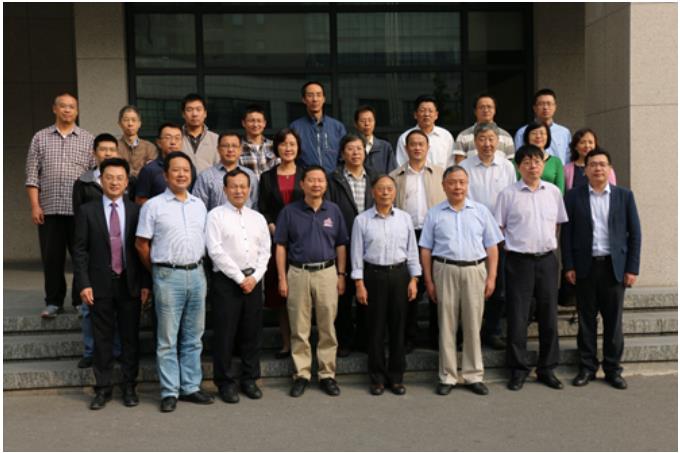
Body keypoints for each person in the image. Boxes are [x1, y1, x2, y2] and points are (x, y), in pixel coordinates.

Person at [135, 151, 214, 413]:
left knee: (193, 336)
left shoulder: (199, 205)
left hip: (197, 275)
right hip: (168, 276)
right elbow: (141, 244)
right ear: (166, 175)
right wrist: (158, 271)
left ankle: (190, 386)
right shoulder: (153, 206)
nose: (181, 174)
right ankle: (170, 391)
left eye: (186, 170)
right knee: (167, 338)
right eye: (176, 170)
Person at [73, 158, 151, 410]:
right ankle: (103, 388)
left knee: (130, 339)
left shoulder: (137, 211)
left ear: (127, 182)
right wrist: (83, 283)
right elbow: (80, 251)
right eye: (109, 177)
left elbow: (143, 250)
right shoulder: (87, 211)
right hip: (99, 284)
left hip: (130, 283)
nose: (114, 182)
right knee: (102, 338)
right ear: (101, 180)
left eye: (119, 178)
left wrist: (145, 283)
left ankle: (129, 387)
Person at [562, 149, 641, 390]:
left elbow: (635, 234)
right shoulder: (573, 197)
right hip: (585, 267)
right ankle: (587, 368)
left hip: (613, 268)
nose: (598, 168)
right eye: (593, 164)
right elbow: (566, 235)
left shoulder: (624, 196)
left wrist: (632, 268)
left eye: (602, 164)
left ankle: (613, 369)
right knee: (586, 320)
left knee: (613, 322)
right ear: (585, 170)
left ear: (609, 169)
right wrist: (569, 265)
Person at [420, 166, 502, 396]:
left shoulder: (481, 211)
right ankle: (447, 375)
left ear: (467, 184)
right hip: (444, 269)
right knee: (446, 324)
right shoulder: (434, 213)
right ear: (444, 186)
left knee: (473, 324)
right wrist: (429, 281)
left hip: (474, 270)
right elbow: (425, 249)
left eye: (462, 182)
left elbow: (492, 246)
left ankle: (473, 374)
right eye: (452, 182)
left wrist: (492, 276)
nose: (457, 187)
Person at [494, 145, 569, 391]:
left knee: (549, 316)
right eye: (526, 162)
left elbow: (557, 225)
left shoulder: (554, 192)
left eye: (537, 161)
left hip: (547, 260)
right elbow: (499, 228)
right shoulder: (508, 194)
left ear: (543, 164)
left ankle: (547, 368)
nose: (532, 166)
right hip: (518, 261)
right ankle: (518, 369)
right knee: (518, 317)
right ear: (519, 167)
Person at [274, 165, 349, 398]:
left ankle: (327, 374)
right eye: (311, 180)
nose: (316, 184)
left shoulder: (333, 210)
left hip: (327, 272)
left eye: (320, 180)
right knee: (299, 327)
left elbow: (341, 244)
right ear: (302, 184)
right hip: (298, 273)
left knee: (327, 326)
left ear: (326, 185)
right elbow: (281, 246)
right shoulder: (289, 212)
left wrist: (341, 275)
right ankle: (302, 374)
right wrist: (282, 278)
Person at [25, 92, 95, 318]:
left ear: (77, 111)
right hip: (49, 209)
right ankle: (54, 302)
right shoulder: (40, 137)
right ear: (54, 109)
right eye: (63, 106)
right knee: (52, 258)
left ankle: (80, 301)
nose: (67, 110)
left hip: (79, 211)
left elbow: (94, 175)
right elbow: (32, 175)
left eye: (72, 106)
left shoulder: (88, 139)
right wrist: (35, 206)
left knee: (81, 257)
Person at [351, 175, 420, 396]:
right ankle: (377, 378)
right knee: (375, 329)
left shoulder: (404, 218)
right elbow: (356, 254)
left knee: (398, 328)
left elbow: (412, 251)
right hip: (373, 276)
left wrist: (414, 279)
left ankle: (397, 377)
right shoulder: (362, 220)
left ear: (395, 192)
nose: (385, 192)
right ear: (373, 192)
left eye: (389, 188)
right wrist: (359, 284)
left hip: (400, 275)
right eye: (381, 189)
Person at [206, 168, 271, 403]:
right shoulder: (215, 216)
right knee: (225, 334)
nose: (239, 190)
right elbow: (215, 250)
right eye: (233, 186)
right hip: (226, 282)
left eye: (243, 186)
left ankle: (250, 379)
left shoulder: (258, 218)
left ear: (249, 189)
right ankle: (225, 382)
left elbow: (265, 251)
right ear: (225, 189)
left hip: (253, 281)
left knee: (251, 333)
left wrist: (255, 277)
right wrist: (239, 278)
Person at [460, 123, 517, 350]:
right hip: (470, 233)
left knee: (497, 286)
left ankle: (492, 330)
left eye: (491, 139)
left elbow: (512, 199)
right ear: (475, 142)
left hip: (499, 233)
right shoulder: (464, 166)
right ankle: (469, 332)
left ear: (498, 141)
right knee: (471, 286)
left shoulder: (507, 166)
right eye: (482, 139)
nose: (487, 144)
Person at [390, 130, 446, 352]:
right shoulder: (395, 176)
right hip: (407, 235)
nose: (417, 148)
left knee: (437, 286)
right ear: (406, 148)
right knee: (409, 288)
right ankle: (409, 336)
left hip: (436, 235)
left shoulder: (441, 173)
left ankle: (437, 336)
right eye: (412, 144)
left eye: (421, 144)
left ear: (428, 147)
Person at [72, 133, 122, 369]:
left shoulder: (125, 180)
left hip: (118, 255)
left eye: (112, 149)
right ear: (94, 153)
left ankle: (117, 350)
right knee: (89, 309)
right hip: (94, 255)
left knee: (117, 309)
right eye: (103, 149)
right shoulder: (83, 183)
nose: (108, 153)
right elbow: (78, 218)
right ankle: (91, 351)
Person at [327, 134, 378, 357]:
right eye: (350, 148)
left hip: (371, 243)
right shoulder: (334, 179)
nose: (355, 152)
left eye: (359, 148)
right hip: (343, 242)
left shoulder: (375, 177)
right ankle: (345, 340)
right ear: (342, 153)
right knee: (344, 294)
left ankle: (365, 338)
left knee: (369, 293)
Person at [257, 129, 305, 359]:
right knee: (281, 295)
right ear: (276, 147)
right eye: (284, 144)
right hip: (277, 242)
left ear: (298, 147)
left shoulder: (307, 173)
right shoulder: (267, 177)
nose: (288, 148)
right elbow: (263, 208)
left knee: (302, 296)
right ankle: (287, 343)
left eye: (292, 144)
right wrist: (271, 224)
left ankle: (303, 342)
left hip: (303, 241)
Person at [289, 81, 347, 174]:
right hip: (306, 179)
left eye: (318, 95)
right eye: (310, 95)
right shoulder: (295, 127)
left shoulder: (337, 127)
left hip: (333, 179)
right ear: (303, 99)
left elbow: (344, 157)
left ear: (324, 99)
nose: (315, 99)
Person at [192, 133, 258, 211]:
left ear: (241, 150)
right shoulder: (205, 176)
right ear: (218, 149)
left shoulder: (250, 175)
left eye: (234, 146)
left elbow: (255, 205)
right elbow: (198, 207)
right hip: (216, 218)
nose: (230, 150)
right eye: (225, 146)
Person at [135, 123, 196, 205]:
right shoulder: (149, 169)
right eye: (168, 138)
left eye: (177, 138)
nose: (173, 142)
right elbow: (140, 199)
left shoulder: (189, 168)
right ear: (159, 142)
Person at [514, 88, 571, 165]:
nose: (545, 107)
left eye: (549, 104)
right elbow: (519, 158)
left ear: (555, 107)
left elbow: (568, 159)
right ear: (534, 108)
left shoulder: (564, 132)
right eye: (541, 104)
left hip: (558, 172)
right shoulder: (522, 132)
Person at [395, 95, 454, 169]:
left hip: (441, 176)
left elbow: (451, 165)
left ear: (436, 115)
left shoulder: (446, 136)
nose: (426, 114)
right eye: (422, 111)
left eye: (430, 111)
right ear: (415, 114)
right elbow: (401, 165)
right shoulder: (405, 137)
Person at [453, 94, 515, 162]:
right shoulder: (463, 136)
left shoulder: (506, 136)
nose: (486, 110)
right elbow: (460, 165)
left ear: (495, 110)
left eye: (489, 107)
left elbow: (510, 164)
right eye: (481, 107)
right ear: (475, 111)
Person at [521, 121, 565, 194]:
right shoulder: (519, 160)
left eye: (542, 133)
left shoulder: (556, 161)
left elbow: (560, 191)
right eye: (534, 133)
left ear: (548, 137)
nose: (538, 136)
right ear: (527, 137)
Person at [180, 93, 220, 173]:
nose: (194, 114)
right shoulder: (176, 138)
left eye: (198, 109)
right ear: (183, 114)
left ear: (205, 114)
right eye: (189, 110)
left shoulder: (216, 139)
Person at [116, 105, 158, 179]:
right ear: (119, 123)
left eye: (134, 120)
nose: (130, 124)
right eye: (126, 120)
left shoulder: (149, 147)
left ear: (139, 124)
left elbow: (151, 171)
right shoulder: (115, 147)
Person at [354, 105, 397, 174]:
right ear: (355, 124)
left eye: (370, 120)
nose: (367, 124)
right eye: (362, 121)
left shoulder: (385, 147)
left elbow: (393, 173)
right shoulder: (350, 147)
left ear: (375, 122)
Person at [239, 104, 278, 178]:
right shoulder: (237, 148)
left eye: (259, 121)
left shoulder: (274, 146)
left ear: (264, 123)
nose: (255, 125)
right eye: (251, 121)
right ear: (243, 123)